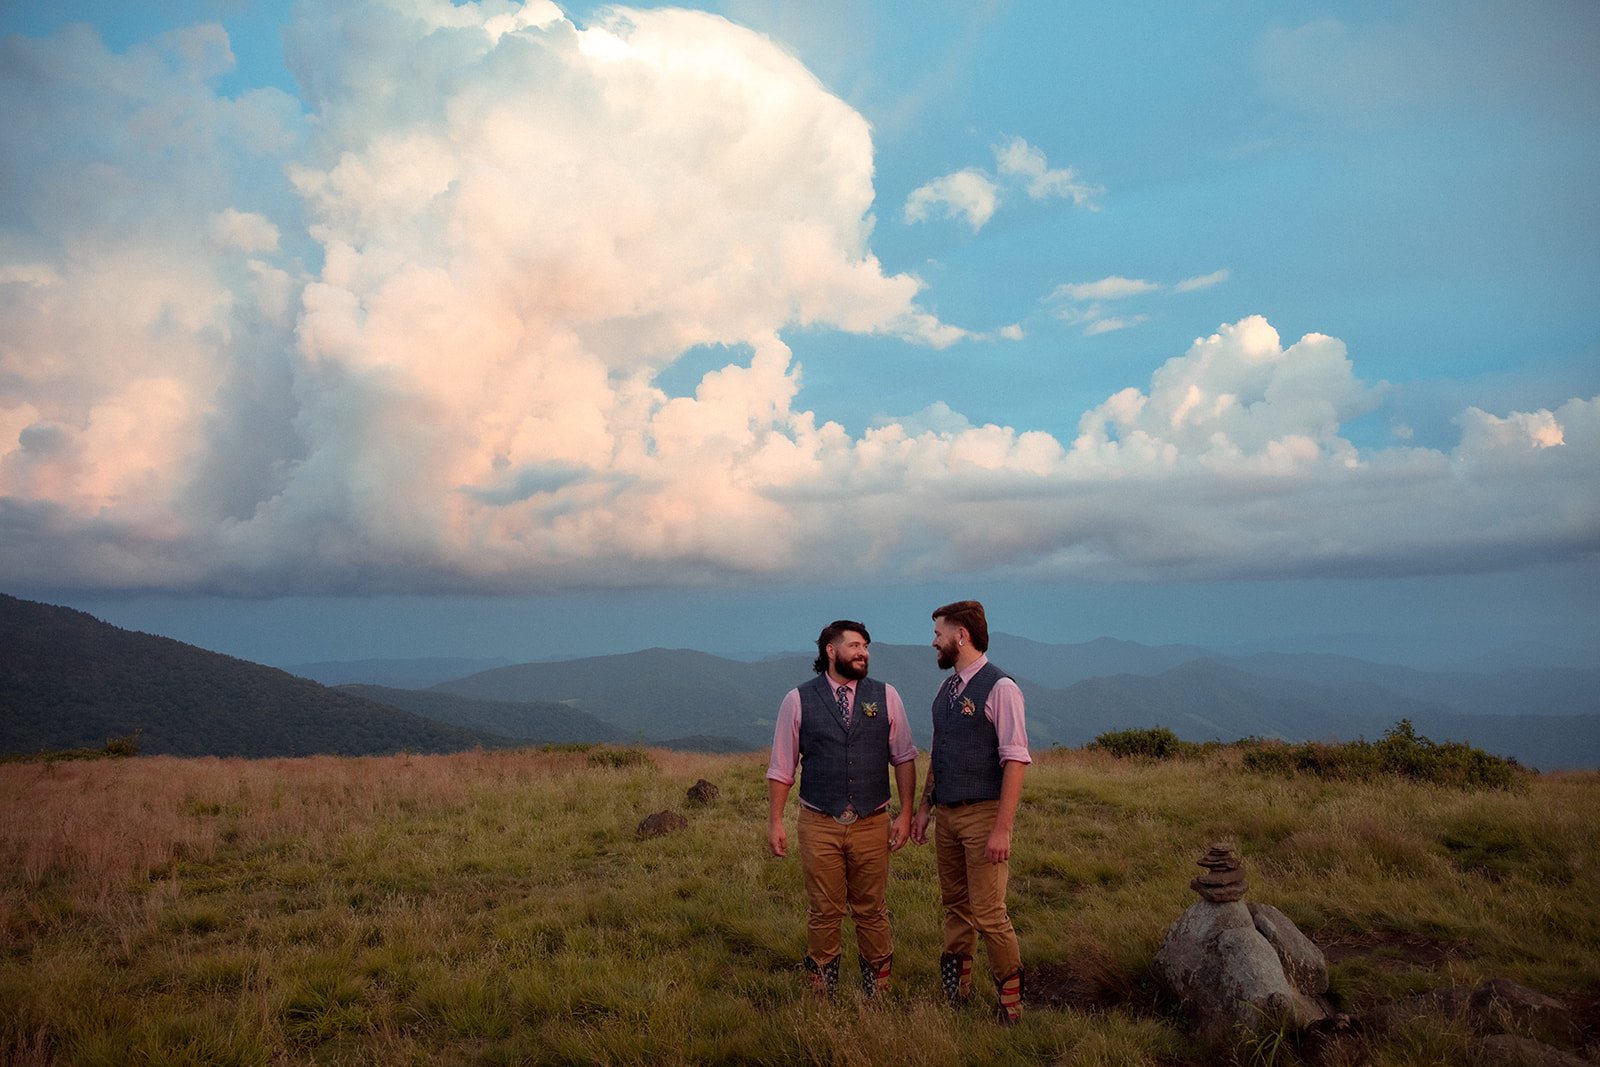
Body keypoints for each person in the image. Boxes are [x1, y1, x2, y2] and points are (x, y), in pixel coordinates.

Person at [767, 619, 918, 999]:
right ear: (831, 651)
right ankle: (823, 992)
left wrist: (905, 813)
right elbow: (782, 767)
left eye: (866, 646)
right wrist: (775, 822)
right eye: (854, 645)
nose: (863, 652)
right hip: (818, 821)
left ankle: (877, 994)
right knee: (823, 910)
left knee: (872, 909)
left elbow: (903, 758)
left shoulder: (887, 696)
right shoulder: (797, 699)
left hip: (872, 821)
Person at [910, 599, 1031, 1024]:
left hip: (984, 814)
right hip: (947, 815)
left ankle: (1011, 1005)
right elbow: (938, 754)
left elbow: (1015, 759)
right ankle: (956, 994)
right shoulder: (947, 691)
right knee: (956, 906)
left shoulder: (1001, 688)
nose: (933, 642)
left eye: (939, 634)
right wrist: (924, 808)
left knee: (989, 912)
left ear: (961, 636)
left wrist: (1003, 828)